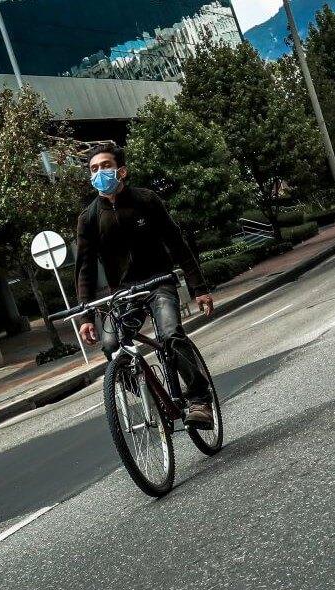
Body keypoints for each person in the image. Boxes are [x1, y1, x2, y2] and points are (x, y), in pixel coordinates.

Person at [75, 143, 215, 429]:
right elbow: (85, 269)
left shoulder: (146, 200)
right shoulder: (88, 218)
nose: (100, 172)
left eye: (105, 166)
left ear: (121, 170)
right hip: (122, 294)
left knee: (171, 335)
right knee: (112, 346)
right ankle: (151, 395)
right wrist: (86, 317)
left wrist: (199, 287)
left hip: (158, 283)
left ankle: (200, 399)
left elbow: (177, 243)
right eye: (94, 169)